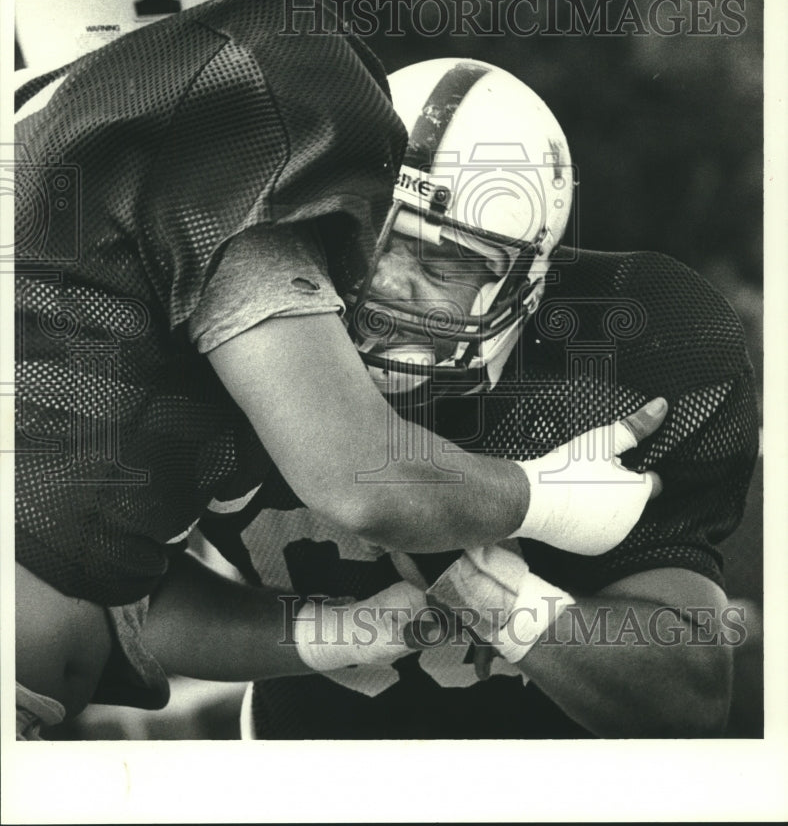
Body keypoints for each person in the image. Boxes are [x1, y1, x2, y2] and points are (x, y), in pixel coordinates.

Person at [14, 0, 661, 738]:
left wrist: (341, 632)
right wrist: (553, 500)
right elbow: (362, 480)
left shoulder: (50, 221)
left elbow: (112, 589)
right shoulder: (196, 167)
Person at [219, 58, 760, 739]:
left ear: (523, 293)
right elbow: (111, 609)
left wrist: (496, 593)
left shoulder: (612, 379)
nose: (386, 286)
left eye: (442, 260)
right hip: (305, 766)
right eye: (361, 238)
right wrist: (317, 635)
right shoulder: (231, 321)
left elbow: (687, 694)